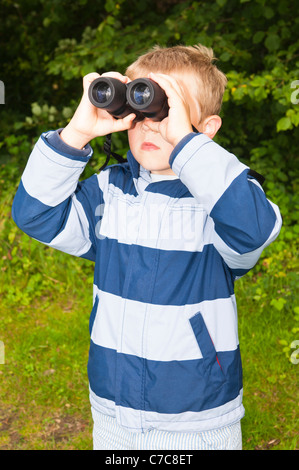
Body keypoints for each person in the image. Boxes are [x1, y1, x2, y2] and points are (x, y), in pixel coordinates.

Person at [12, 44, 282, 450]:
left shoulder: (221, 199)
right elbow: (35, 214)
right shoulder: (109, 191)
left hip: (197, 416)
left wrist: (188, 146)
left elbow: (255, 228)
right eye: (140, 111)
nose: (151, 125)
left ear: (206, 129)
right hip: (112, 409)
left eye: (166, 112)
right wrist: (78, 133)